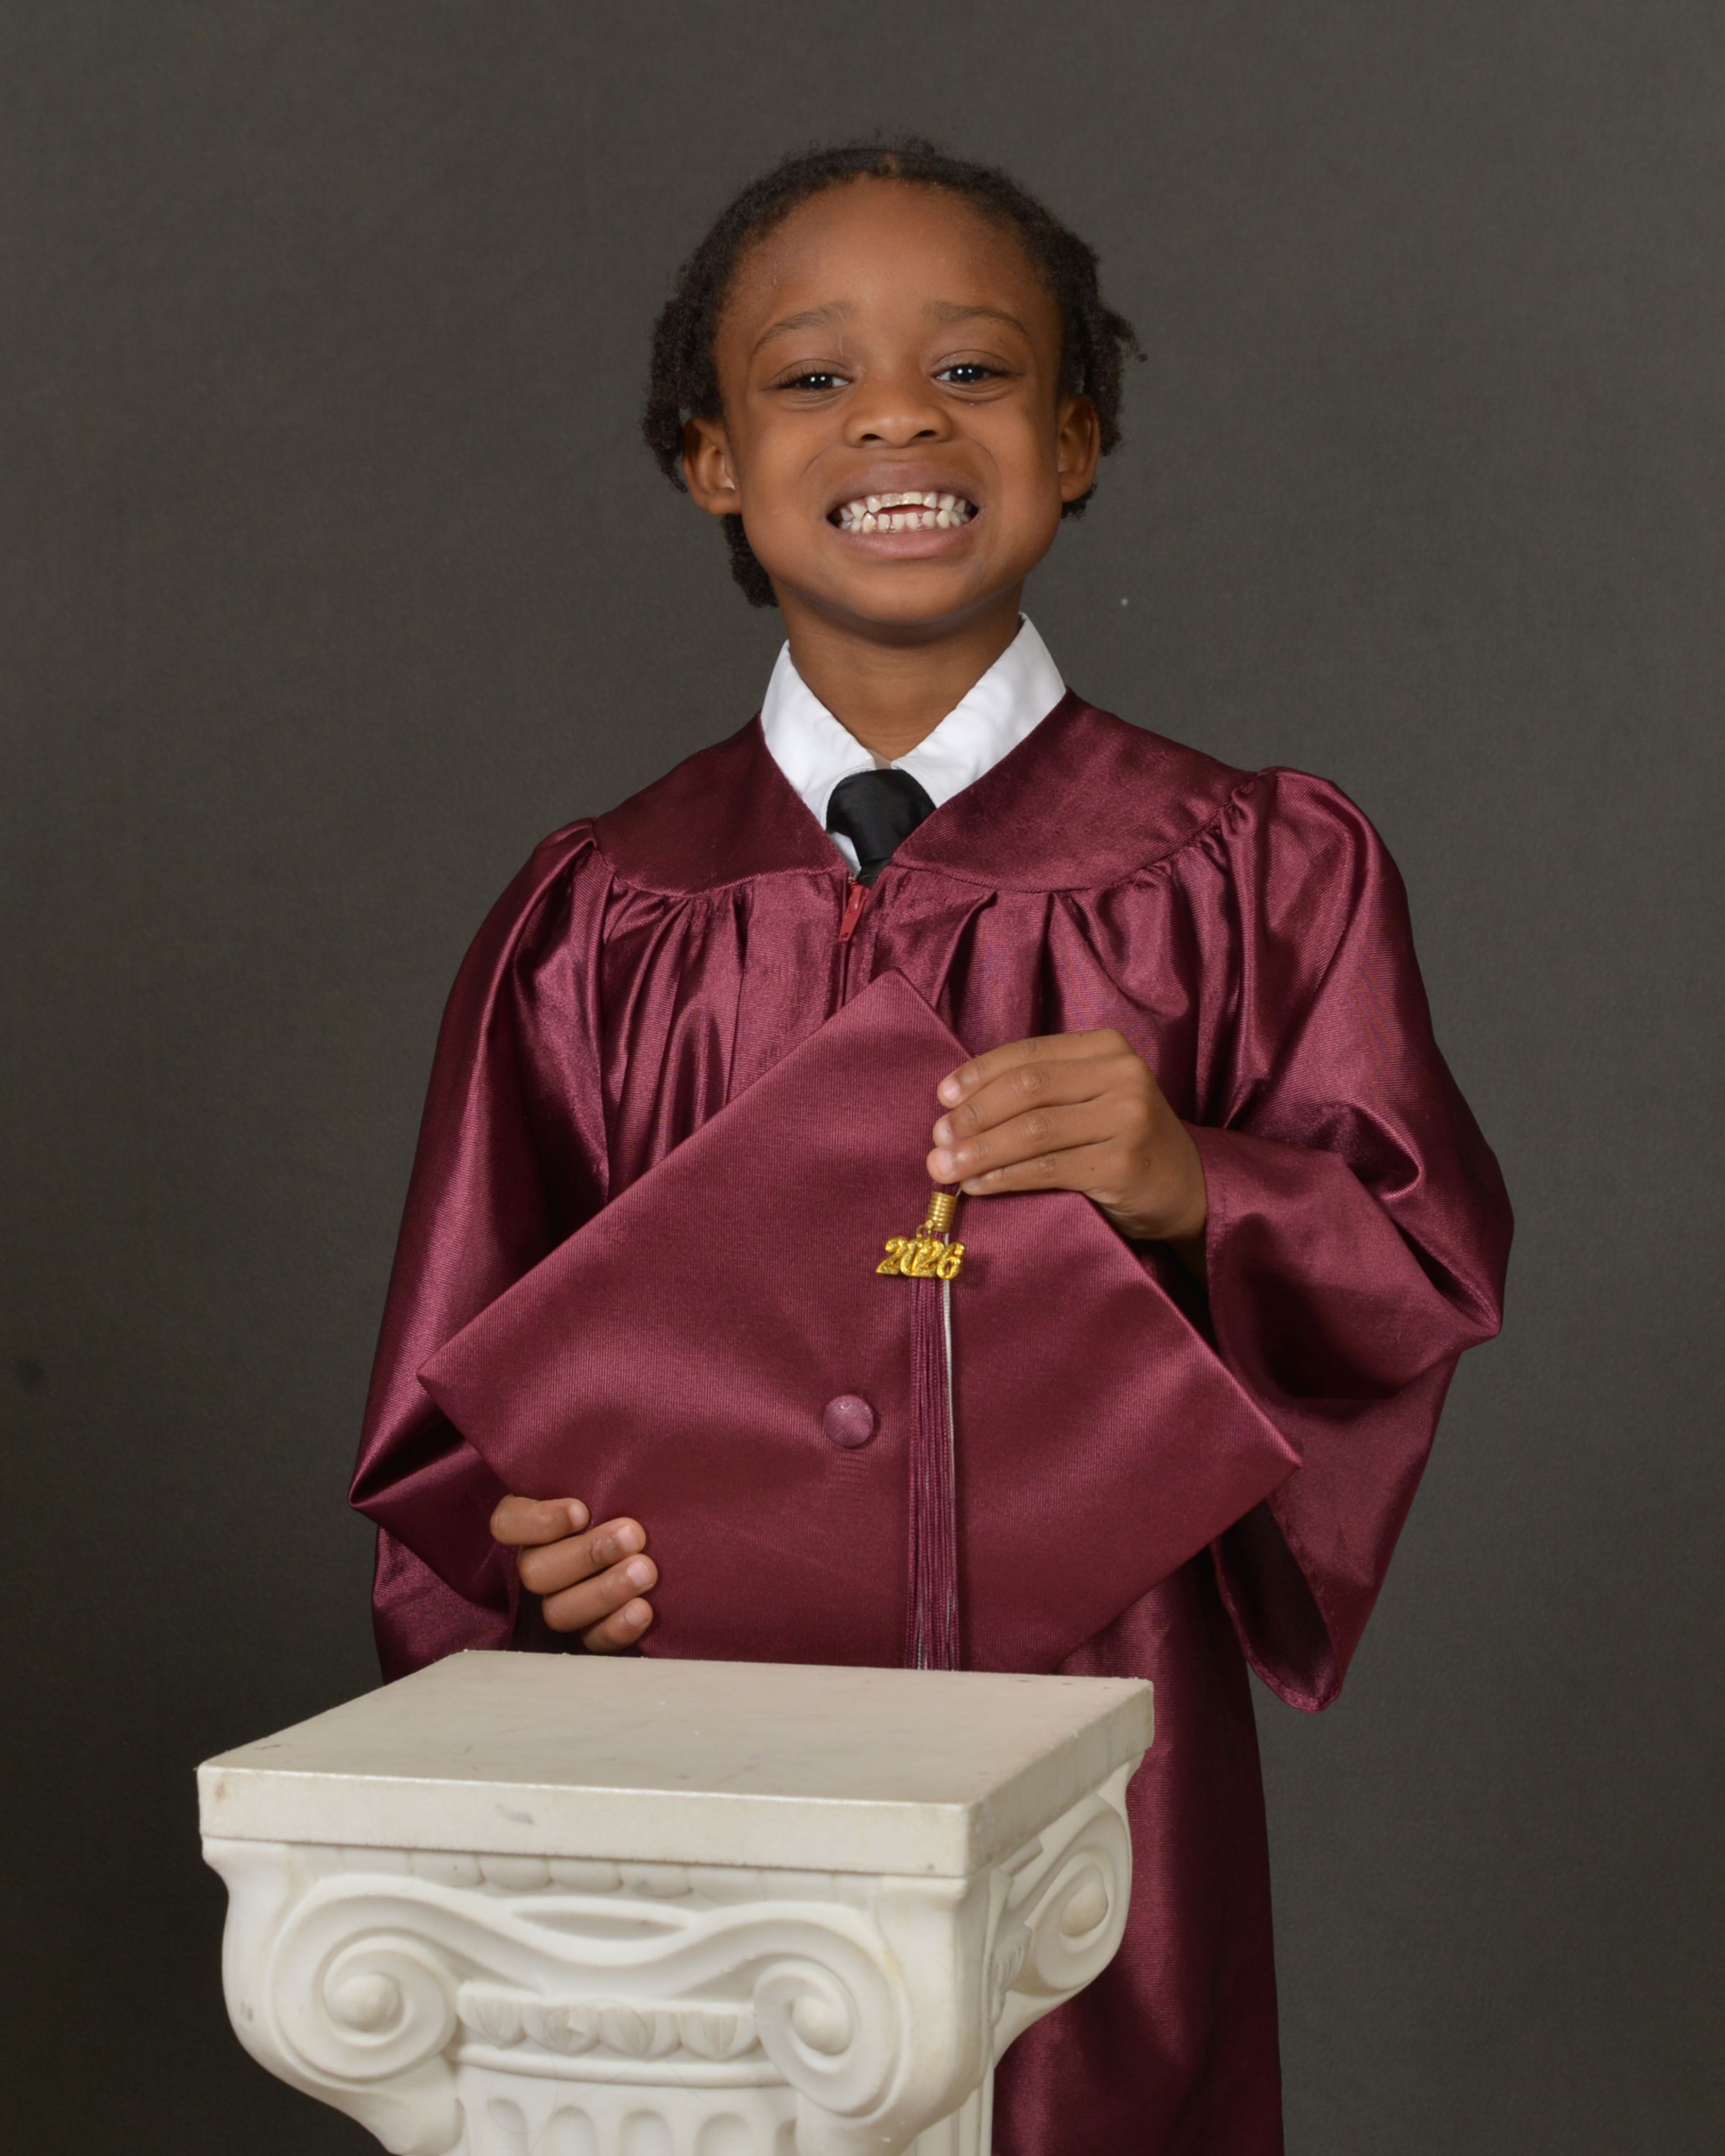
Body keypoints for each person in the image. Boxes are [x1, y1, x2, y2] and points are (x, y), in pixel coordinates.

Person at [351, 140, 1511, 2155]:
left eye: (972, 370)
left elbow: (1415, 1265)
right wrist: (521, 1563)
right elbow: (455, 1421)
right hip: (688, 1779)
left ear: (1075, 438)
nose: (896, 417)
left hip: (1096, 1773)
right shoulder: (601, 917)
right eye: (814, 379)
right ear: (711, 459)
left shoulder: (1246, 874)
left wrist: (1201, 1184)